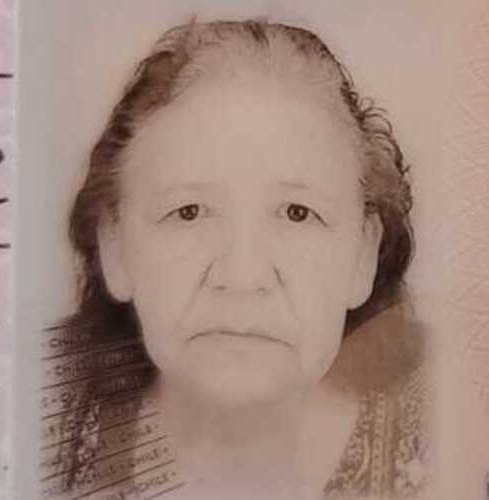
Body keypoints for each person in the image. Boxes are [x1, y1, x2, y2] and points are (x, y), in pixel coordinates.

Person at [43, 19, 431, 500]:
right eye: (188, 212)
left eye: (297, 213)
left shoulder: (459, 425)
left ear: (364, 255)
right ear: (115, 246)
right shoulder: (29, 409)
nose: (242, 276)